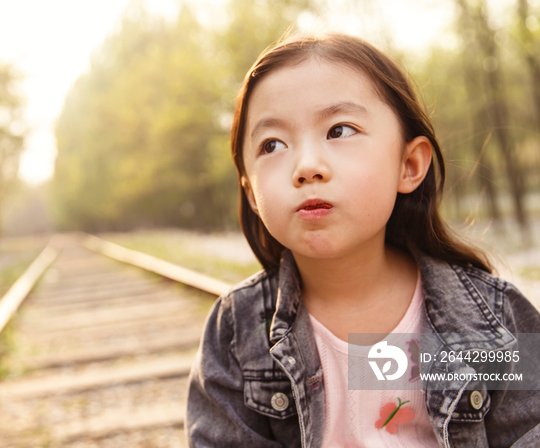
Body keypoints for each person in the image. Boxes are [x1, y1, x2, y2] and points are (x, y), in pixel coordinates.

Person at [185, 33, 540, 447]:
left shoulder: (491, 319)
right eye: (273, 144)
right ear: (250, 192)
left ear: (409, 165)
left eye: (339, 130)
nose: (307, 167)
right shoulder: (237, 332)